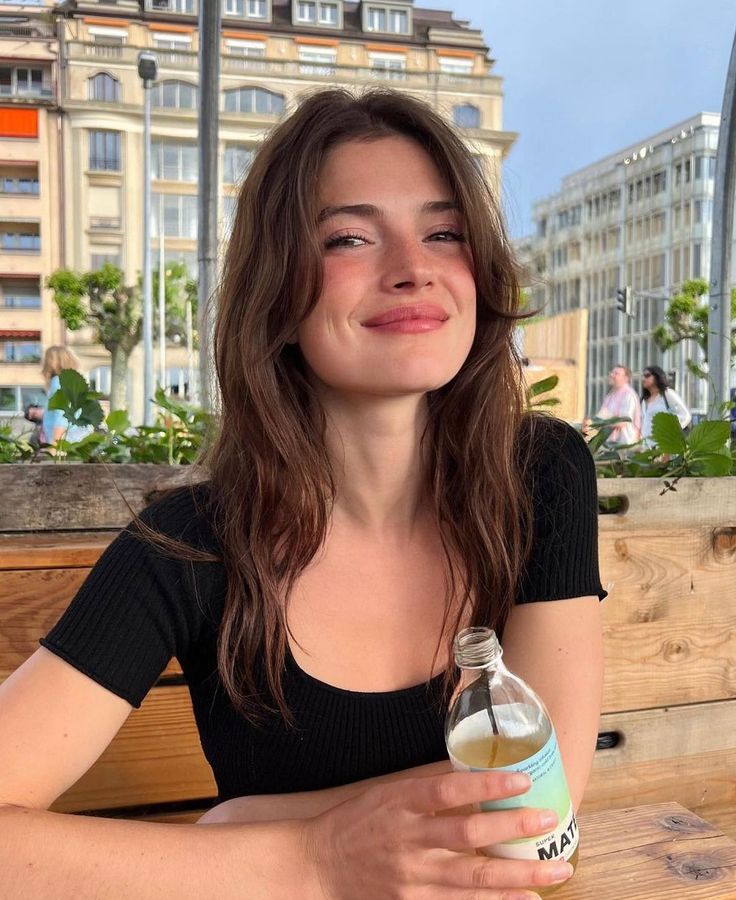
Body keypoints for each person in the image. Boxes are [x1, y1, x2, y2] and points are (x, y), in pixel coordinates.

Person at [0, 89, 605, 898]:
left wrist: (246, 825)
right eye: (350, 237)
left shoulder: (542, 475)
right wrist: (313, 858)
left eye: (443, 233)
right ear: (278, 295)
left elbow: (538, 810)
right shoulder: (186, 547)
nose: (413, 268)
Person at [40, 345, 92, 446]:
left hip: (67, 443)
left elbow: (62, 415)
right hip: (79, 440)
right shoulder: (73, 382)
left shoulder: (59, 382)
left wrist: (55, 445)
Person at [588, 364, 641, 446]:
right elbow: (600, 417)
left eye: (616, 373)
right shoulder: (610, 396)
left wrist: (601, 423)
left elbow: (624, 421)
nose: (611, 375)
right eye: (612, 372)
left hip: (626, 443)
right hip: (610, 442)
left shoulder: (629, 395)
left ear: (626, 378)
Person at [640, 365, 691, 447]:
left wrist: (671, 432)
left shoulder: (667, 394)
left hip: (666, 445)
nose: (643, 379)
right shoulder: (644, 401)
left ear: (657, 376)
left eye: (647, 376)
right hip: (648, 447)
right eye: (643, 376)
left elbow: (685, 415)